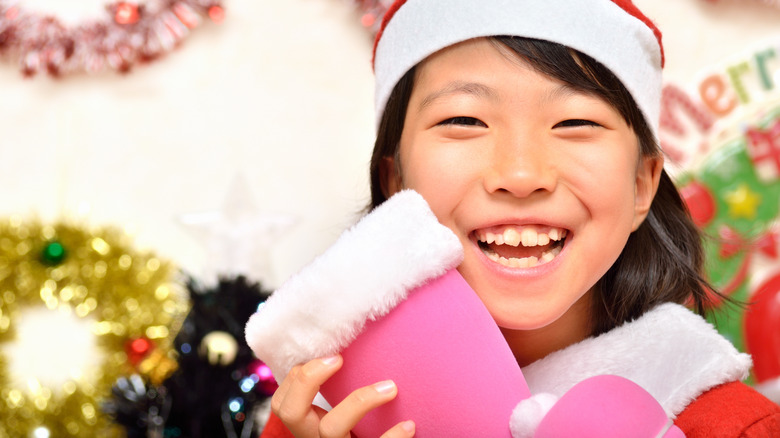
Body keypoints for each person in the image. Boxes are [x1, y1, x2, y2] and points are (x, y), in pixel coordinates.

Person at [259, 0, 780, 436]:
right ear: (395, 182)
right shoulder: (315, 420)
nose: (522, 173)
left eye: (575, 122)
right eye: (464, 120)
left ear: (642, 184)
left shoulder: (732, 425)